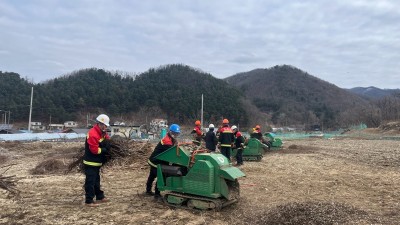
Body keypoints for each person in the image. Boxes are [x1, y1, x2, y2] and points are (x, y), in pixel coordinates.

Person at [146, 124, 180, 200]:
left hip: (156, 159)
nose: (176, 135)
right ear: (171, 132)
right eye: (175, 133)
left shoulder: (170, 139)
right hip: (156, 161)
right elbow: (171, 154)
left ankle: (148, 191)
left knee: (152, 176)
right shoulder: (167, 141)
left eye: (177, 134)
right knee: (160, 176)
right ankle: (157, 195)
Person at [83, 114, 111, 207]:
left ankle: (99, 196)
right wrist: (104, 150)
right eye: (105, 125)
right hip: (90, 162)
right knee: (90, 181)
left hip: (97, 162)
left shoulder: (102, 132)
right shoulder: (93, 134)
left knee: (96, 180)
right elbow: (94, 150)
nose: (106, 127)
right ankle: (89, 201)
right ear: (100, 124)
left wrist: (109, 144)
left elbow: (106, 138)